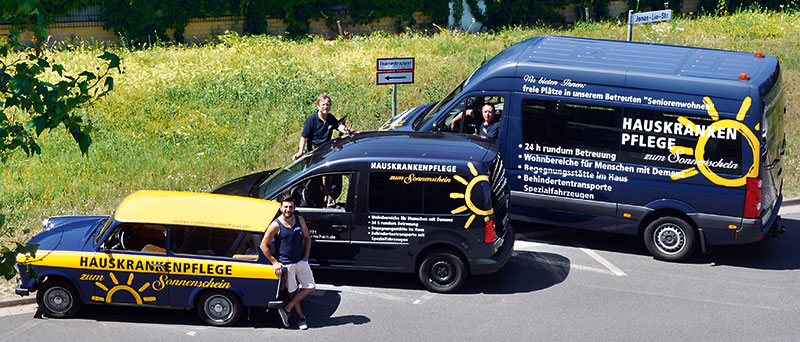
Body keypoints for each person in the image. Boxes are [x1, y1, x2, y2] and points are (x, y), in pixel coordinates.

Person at [260, 194, 315, 330]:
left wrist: (306, 257)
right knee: (292, 292)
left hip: (301, 261)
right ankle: (301, 317)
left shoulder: (299, 219)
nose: (288, 210)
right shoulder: (275, 225)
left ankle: (287, 308)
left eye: (290, 207)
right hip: (287, 264)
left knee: (310, 287)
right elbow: (263, 245)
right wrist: (274, 262)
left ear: (294, 207)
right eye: (285, 207)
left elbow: (307, 238)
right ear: (280, 207)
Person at [293, 94, 354, 161]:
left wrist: (348, 130)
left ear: (330, 107)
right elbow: (304, 137)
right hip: (314, 153)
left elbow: (338, 126)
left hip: (327, 152)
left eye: (327, 104)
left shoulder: (330, 117)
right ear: (318, 107)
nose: (325, 107)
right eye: (323, 104)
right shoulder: (311, 120)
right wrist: (300, 152)